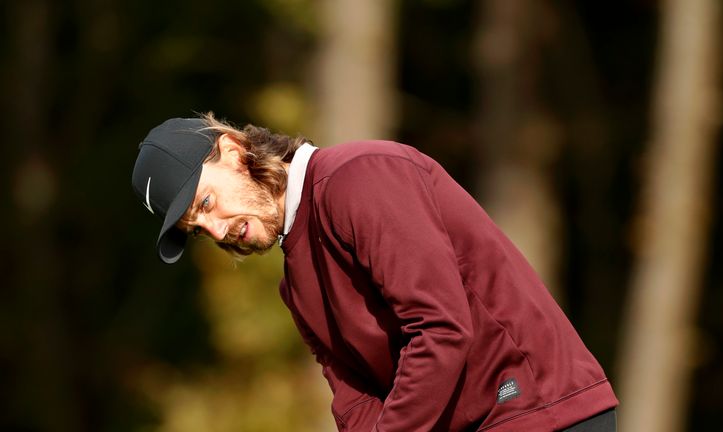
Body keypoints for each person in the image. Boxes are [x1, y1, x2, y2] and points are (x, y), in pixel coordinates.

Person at [131, 113, 619, 431]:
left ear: (235, 151)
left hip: (541, 413)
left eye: (208, 204)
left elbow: (441, 328)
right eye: (199, 228)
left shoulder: (359, 177)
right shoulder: (296, 284)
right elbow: (357, 402)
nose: (216, 231)